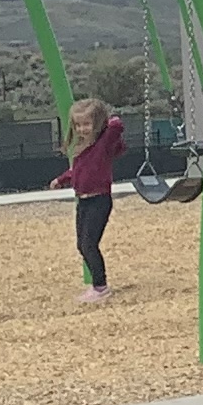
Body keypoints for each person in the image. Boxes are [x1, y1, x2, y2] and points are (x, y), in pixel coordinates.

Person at [56, 96, 127, 305]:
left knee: (89, 244)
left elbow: (117, 125)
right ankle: (98, 285)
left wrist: (105, 117)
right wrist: (61, 179)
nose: (82, 129)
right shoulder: (82, 148)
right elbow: (77, 171)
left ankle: (100, 286)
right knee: (81, 245)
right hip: (84, 201)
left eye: (86, 124)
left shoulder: (103, 143)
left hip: (99, 200)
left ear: (97, 123)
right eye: (78, 125)